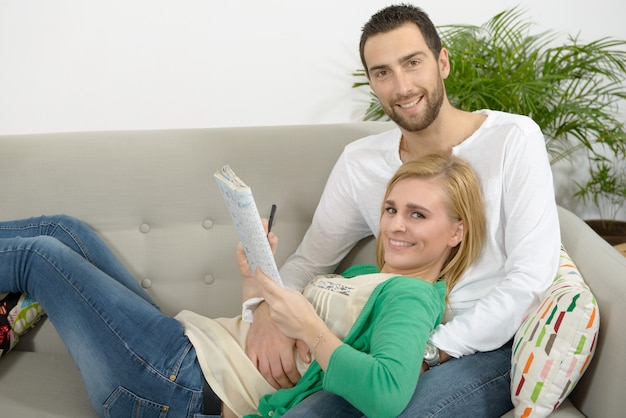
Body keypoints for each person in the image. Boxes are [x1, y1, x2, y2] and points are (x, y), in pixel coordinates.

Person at [245, 4, 561, 417]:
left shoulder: (513, 138)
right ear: (371, 83)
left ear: (442, 62)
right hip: (391, 338)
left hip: (485, 346)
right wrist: (267, 308)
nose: (402, 86)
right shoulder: (360, 162)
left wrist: (432, 350)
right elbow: (310, 260)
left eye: (413, 63)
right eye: (382, 73)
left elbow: (531, 278)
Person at [1, 153, 486, 418]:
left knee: (39, 256)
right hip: (186, 350)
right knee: (66, 231)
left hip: (179, 387)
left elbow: (387, 394)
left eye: (418, 215)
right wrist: (253, 281)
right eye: (391, 209)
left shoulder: (414, 298)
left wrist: (312, 330)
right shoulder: (368, 277)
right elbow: (273, 351)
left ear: (457, 231)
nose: (396, 226)